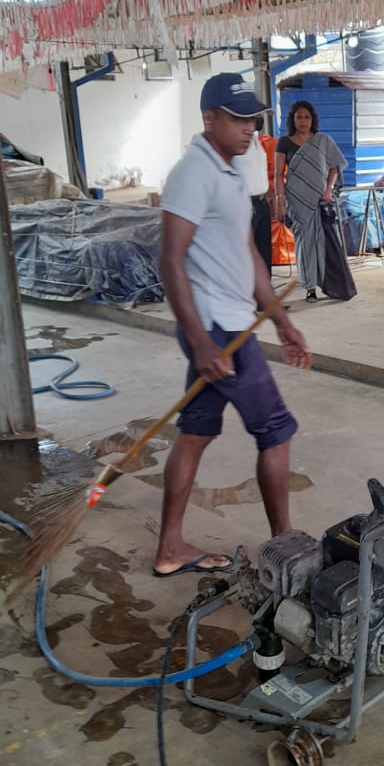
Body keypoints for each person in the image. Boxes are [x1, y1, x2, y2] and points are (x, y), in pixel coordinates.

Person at [154, 72, 311, 578]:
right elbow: (170, 260)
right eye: (238, 118)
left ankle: (170, 548)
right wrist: (200, 341)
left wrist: (281, 321)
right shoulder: (192, 174)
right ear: (209, 118)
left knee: (195, 433)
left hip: (230, 326)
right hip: (219, 332)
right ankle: (284, 551)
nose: (249, 129)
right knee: (277, 431)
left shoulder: (230, 173)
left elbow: (248, 257)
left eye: (253, 119)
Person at [274, 99, 346, 301]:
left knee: (323, 242)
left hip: (321, 200)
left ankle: (328, 284)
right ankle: (310, 287)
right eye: (299, 117)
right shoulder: (284, 142)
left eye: (307, 117)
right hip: (297, 201)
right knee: (304, 243)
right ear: (293, 120)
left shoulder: (323, 141)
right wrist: (279, 199)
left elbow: (334, 166)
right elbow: (279, 173)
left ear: (312, 119)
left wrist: (329, 189)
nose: (303, 121)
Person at [235, 117, 273, 273]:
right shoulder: (235, 143)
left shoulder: (257, 141)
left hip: (261, 202)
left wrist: (267, 190)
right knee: (245, 254)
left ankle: (264, 293)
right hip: (243, 204)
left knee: (264, 252)